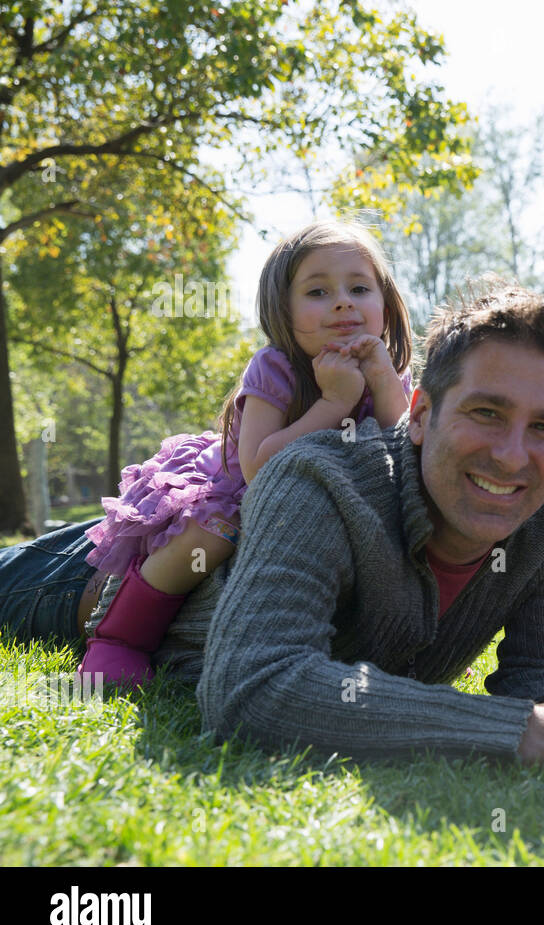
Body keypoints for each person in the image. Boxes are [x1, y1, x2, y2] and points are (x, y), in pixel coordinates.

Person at [0, 284, 544, 783]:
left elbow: (542, 681)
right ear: (422, 413)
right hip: (81, 582)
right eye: (486, 412)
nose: (512, 454)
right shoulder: (317, 477)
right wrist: (534, 734)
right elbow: (253, 688)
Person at [79, 221, 415, 687]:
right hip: (240, 493)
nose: (343, 302)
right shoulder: (276, 367)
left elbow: (403, 449)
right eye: (317, 292)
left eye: (359, 288)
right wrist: (333, 404)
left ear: (386, 302)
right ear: (283, 309)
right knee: (209, 537)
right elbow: (258, 466)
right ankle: (119, 639)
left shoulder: (389, 370)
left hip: (335, 505)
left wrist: (380, 382)